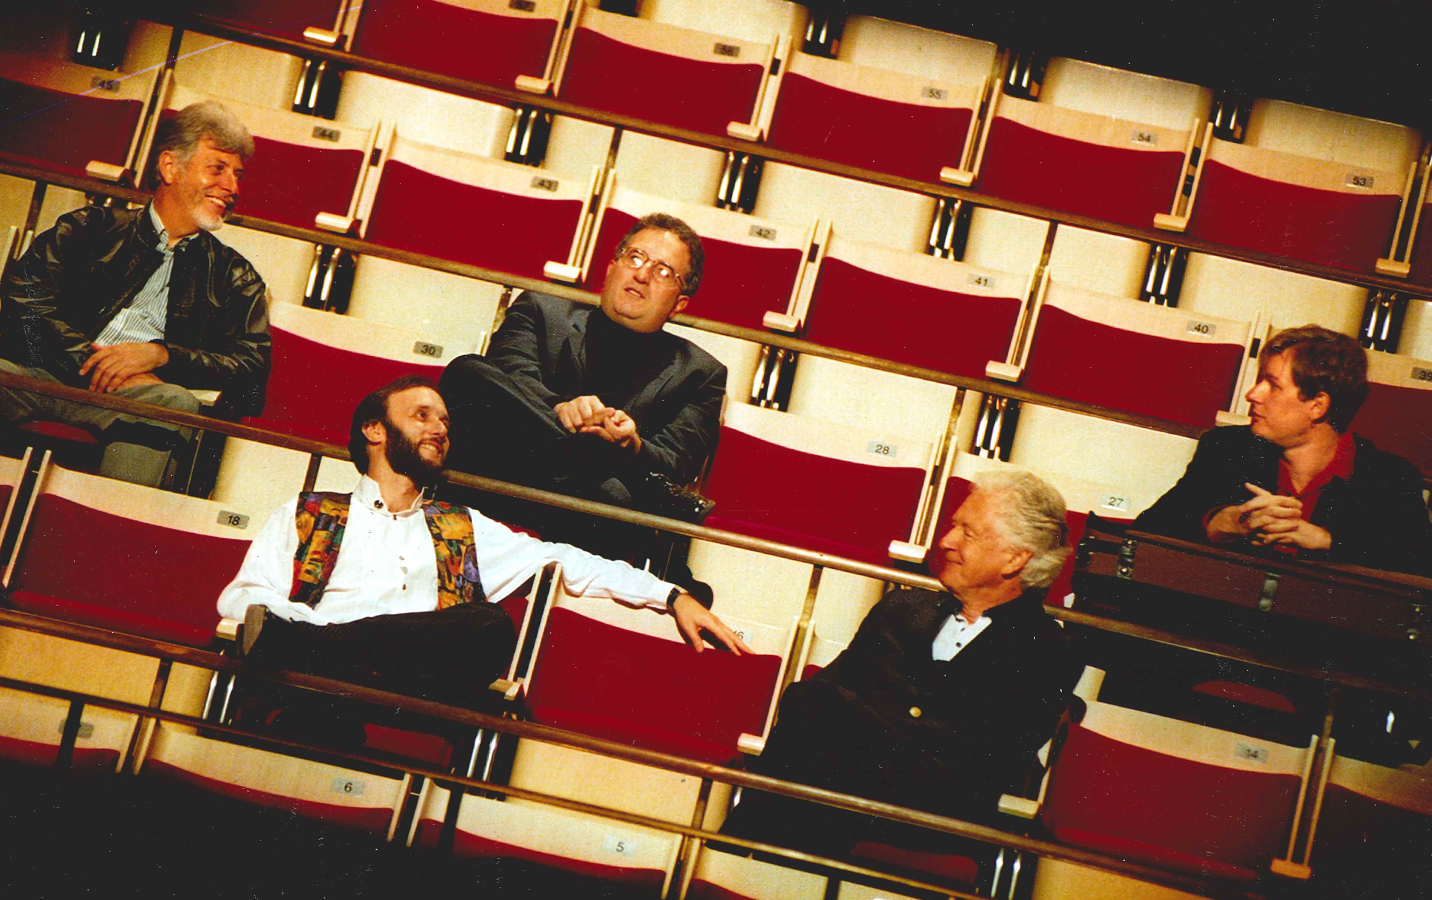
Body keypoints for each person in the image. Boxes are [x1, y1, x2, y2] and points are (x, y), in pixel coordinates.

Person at [218, 376, 749, 725]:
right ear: (373, 430)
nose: (440, 428)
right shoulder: (309, 511)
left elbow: (569, 561)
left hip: (404, 691)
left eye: (445, 421)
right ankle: (326, 666)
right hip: (313, 687)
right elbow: (244, 601)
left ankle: (318, 653)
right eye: (422, 415)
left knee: (489, 626)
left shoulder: (462, 525)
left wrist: (672, 594)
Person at [719, 470, 1078, 859]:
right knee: (813, 712)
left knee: (817, 715)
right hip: (841, 788)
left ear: (1015, 558)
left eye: (967, 533)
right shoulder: (901, 609)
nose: (946, 541)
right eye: (953, 526)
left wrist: (862, 725)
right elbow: (814, 697)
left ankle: (728, 856)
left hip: (933, 814)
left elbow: (978, 758)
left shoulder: (1048, 651)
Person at [0, 101, 270, 487]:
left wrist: (162, 355)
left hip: (135, 399)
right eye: (217, 169)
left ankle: (107, 531)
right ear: (170, 167)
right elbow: (23, 299)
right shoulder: (89, 227)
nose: (232, 187)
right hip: (41, 374)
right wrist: (92, 364)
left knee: (176, 405)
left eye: (238, 175)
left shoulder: (235, 276)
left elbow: (251, 366)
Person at [440, 212, 723, 523]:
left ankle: (598, 466)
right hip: (510, 483)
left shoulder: (701, 375)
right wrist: (558, 408)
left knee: (612, 498)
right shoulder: (539, 310)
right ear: (610, 267)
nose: (642, 275)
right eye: (635, 258)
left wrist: (633, 444)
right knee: (466, 372)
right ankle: (605, 463)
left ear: (679, 304)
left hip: (587, 517)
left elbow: (675, 463)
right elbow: (510, 377)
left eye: (663, 271)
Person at [1134, 324, 1431, 575]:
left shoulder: (1390, 478)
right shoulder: (1226, 448)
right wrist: (1219, 523)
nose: (1253, 394)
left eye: (1273, 385)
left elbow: (1415, 570)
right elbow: (1142, 535)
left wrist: (1325, 541)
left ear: (1318, 405)